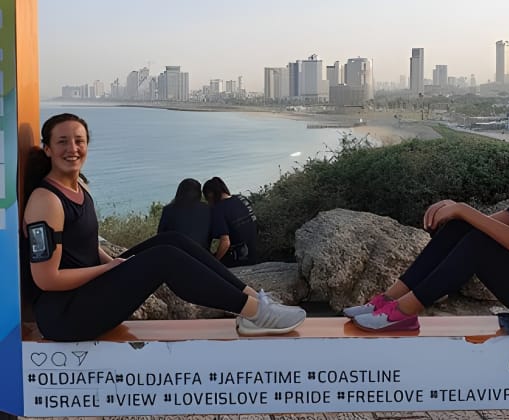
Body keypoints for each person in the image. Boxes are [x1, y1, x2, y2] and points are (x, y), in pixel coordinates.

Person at [21, 113, 306, 342]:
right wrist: (108, 270)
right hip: (65, 316)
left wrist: (113, 265)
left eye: (79, 141)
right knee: (163, 258)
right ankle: (257, 313)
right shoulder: (46, 202)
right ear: (48, 149)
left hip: (87, 294)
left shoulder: (79, 187)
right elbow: (46, 279)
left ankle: (254, 301)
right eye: (62, 142)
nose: (72, 149)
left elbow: (85, 244)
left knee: (171, 240)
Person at [344, 125, 509, 341]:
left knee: (480, 243)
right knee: (462, 228)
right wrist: (456, 213)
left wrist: (462, 209)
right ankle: (388, 300)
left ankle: (403, 312)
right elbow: (484, 225)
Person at [202, 177, 258, 267]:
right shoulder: (242, 198)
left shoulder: (218, 209)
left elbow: (225, 242)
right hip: (255, 253)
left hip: (239, 259)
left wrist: (214, 262)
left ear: (210, 194)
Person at [158, 178, 211, 249]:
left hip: (176, 252)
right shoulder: (207, 209)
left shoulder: (168, 210)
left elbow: (160, 235)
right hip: (201, 253)